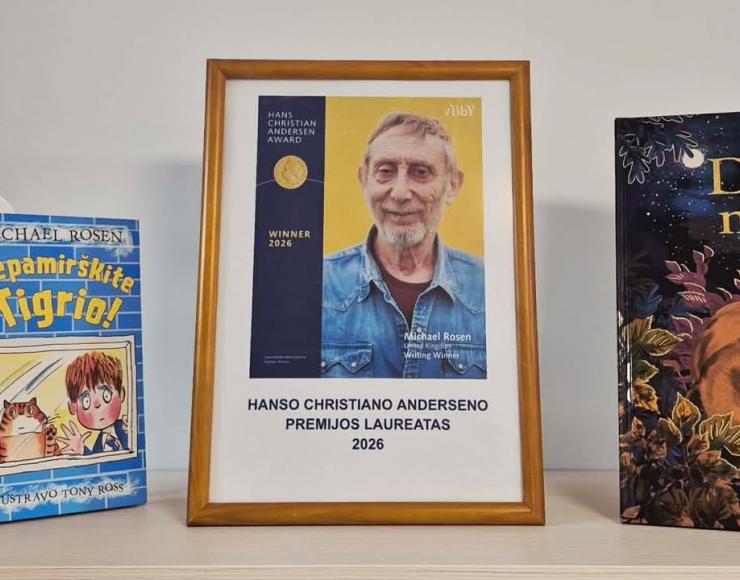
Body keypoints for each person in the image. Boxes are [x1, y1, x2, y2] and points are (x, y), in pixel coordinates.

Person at [322, 112, 486, 379]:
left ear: (453, 185)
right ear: (364, 180)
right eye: (385, 172)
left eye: (421, 172)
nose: (399, 193)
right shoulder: (317, 286)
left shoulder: (488, 288)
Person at [58, 351, 129, 455]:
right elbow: (96, 459)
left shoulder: (126, 427)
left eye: (106, 395)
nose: (97, 404)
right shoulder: (99, 444)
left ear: (121, 394)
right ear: (73, 407)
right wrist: (82, 450)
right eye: (86, 401)